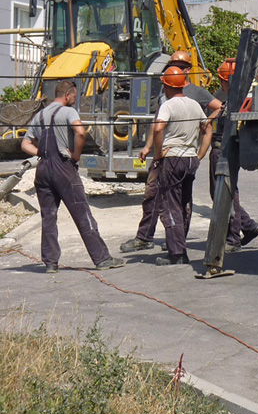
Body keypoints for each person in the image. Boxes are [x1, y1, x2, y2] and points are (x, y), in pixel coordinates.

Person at [120, 50, 222, 253]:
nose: (177, 68)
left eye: (182, 66)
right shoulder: (165, 93)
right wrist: (149, 147)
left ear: (189, 70)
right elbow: (158, 122)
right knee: (152, 194)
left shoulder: (196, 93)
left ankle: (176, 242)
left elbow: (219, 107)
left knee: (179, 201)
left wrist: (205, 127)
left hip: (175, 155)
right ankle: (145, 237)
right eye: (173, 64)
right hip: (165, 153)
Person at [21, 80, 125, 273]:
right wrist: (76, 155)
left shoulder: (40, 115)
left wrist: (41, 153)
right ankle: (102, 259)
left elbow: (25, 144)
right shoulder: (68, 112)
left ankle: (51, 263)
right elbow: (80, 132)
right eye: (74, 97)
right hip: (63, 168)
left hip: (43, 170)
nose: (75, 100)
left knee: (49, 217)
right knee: (83, 215)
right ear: (67, 95)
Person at [145, 66, 212, 266]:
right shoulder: (194, 105)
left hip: (172, 158)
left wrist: (158, 153)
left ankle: (176, 253)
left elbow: (158, 128)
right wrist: (200, 154)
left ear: (166, 86)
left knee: (170, 206)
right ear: (183, 84)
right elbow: (207, 129)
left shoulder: (168, 105)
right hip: (190, 159)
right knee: (184, 203)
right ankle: (180, 246)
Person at [210, 58, 258, 251]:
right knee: (226, 192)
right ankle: (247, 226)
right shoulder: (236, 101)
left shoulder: (234, 103)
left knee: (225, 193)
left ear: (225, 81)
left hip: (224, 150)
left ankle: (233, 237)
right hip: (229, 150)